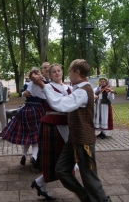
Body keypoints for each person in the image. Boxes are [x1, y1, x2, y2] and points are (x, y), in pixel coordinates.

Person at [31, 59, 111, 202]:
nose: (67, 74)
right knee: (61, 170)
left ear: (77, 72)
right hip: (73, 138)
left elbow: (62, 104)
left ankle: (101, 200)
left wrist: (42, 84)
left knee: (89, 176)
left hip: (83, 140)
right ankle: (86, 197)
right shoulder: (78, 88)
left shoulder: (82, 91)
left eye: (69, 71)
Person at [31, 64, 73, 200]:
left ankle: (39, 183)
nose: (56, 73)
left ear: (62, 72)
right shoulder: (47, 87)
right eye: (53, 72)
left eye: (59, 70)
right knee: (54, 158)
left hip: (66, 124)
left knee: (65, 157)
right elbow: (35, 90)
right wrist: (36, 79)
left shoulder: (69, 87)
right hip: (52, 124)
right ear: (49, 74)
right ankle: (41, 185)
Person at [0, 67, 46, 168]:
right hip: (37, 110)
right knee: (35, 135)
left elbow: (24, 94)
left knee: (27, 135)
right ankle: (34, 156)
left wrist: (23, 94)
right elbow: (45, 97)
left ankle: (24, 155)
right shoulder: (42, 83)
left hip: (25, 110)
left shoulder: (28, 84)